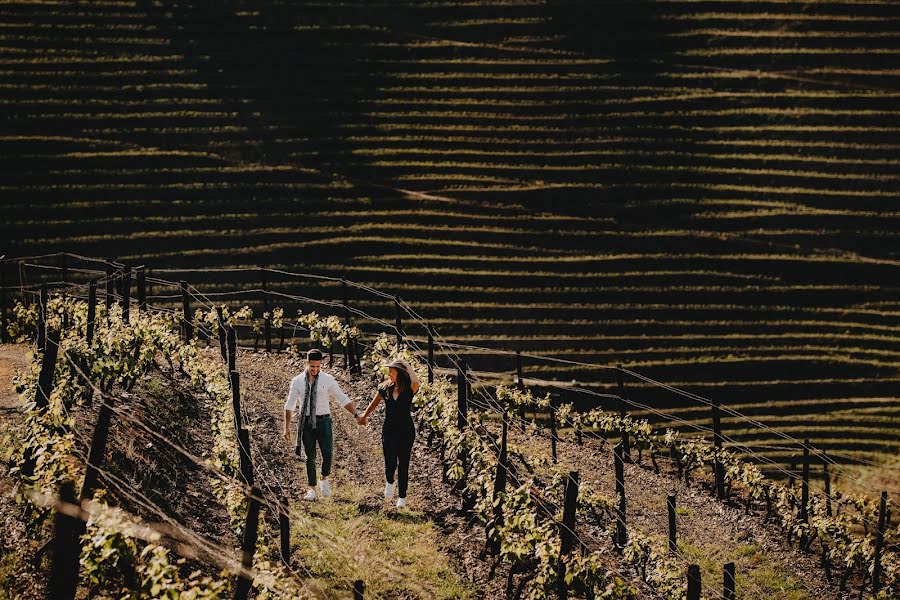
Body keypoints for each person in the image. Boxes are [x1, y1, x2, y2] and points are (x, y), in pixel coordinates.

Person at [284, 348, 359, 501]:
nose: (315, 370)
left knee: (328, 454)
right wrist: (286, 427)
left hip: (324, 421)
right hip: (305, 422)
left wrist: (356, 415)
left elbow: (341, 398)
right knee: (309, 457)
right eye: (312, 367)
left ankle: (323, 478)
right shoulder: (297, 381)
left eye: (318, 367)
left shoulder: (327, 379)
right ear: (307, 363)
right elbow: (289, 404)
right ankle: (311, 489)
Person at [358, 357, 420, 508]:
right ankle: (390, 481)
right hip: (389, 430)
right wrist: (364, 416)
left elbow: (416, 381)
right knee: (390, 461)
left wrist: (406, 365)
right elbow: (374, 403)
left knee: (404, 463)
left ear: (399, 373)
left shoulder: (409, 389)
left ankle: (402, 497)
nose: (389, 374)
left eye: (392, 371)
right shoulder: (385, 388)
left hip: (406, 431)